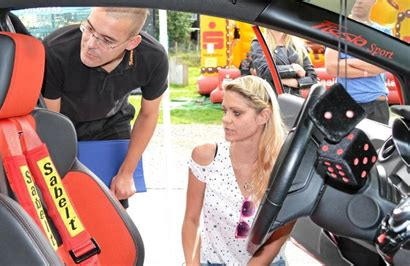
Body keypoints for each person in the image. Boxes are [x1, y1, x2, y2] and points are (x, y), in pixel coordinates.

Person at [42, 7, 169, 208]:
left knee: (112, 207)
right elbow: (51, 120)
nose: (91, 44)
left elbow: (148, 114)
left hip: (113, 124)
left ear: (132, 43)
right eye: (90, 29)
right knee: (64, 205)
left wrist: (127, 173)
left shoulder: (153, 58)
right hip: (65, 124)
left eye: (107, 40)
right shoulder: (56, 50)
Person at [182, 75, 294, 265]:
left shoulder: (285, 166)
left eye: (237, 113)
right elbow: (191, 221)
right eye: (224, 110)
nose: (226, 120)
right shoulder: (206, 157)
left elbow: (282, 232)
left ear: (263, 116)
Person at [325, 0, 391, 125]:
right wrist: (368, 69)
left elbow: (381, 66)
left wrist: (346, 63)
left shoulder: (384, 32)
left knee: (378, 144)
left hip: (377, 103)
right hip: (346, 102)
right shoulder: (337, 29)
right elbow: (331, 67)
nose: (358, 1)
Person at [251, 28, 317, 97]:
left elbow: (313, 79)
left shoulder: (298, 46)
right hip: (272, 100)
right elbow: (264, 71)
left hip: (295, 101)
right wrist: (294, 69)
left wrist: (294, 82)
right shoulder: (259, 42)